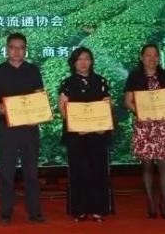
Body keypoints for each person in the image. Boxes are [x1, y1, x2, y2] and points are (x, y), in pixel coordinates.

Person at [0, 32, 46, 225]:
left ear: (25, 50)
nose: (16, 51)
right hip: (7, 129)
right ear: (7, 49)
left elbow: (39, 95)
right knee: (6, 172)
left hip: (29, 128)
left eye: (21, 48)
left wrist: (38, 116)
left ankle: (35, 212)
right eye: (12, 47)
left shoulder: (33, 70)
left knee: (31, 172)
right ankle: (5, 213)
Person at [124, 43, 165, 219]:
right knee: (147, 167)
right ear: (141, 58)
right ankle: (150, 202)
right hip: (145, 127)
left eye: (155, 55)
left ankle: (164, 202)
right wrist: (141, 113)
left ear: (159, 57)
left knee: (164, 166)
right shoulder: (135, 77)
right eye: (148, 55)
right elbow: (128, 101)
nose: (152, 58)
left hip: (164, 127)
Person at [58, 47, 113, 222]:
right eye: (79, 59)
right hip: (76, 135)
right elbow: (63, 108)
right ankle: (79, 210)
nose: (83, 62)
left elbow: (107, 104)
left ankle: (99, 209)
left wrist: (103, 124)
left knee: (99, 171)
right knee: (78, 171)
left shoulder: (101, 81)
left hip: (98, 134)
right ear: (73, 62)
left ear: (91, 61)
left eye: (87, 59)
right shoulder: (67, 83)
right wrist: (74, 125)